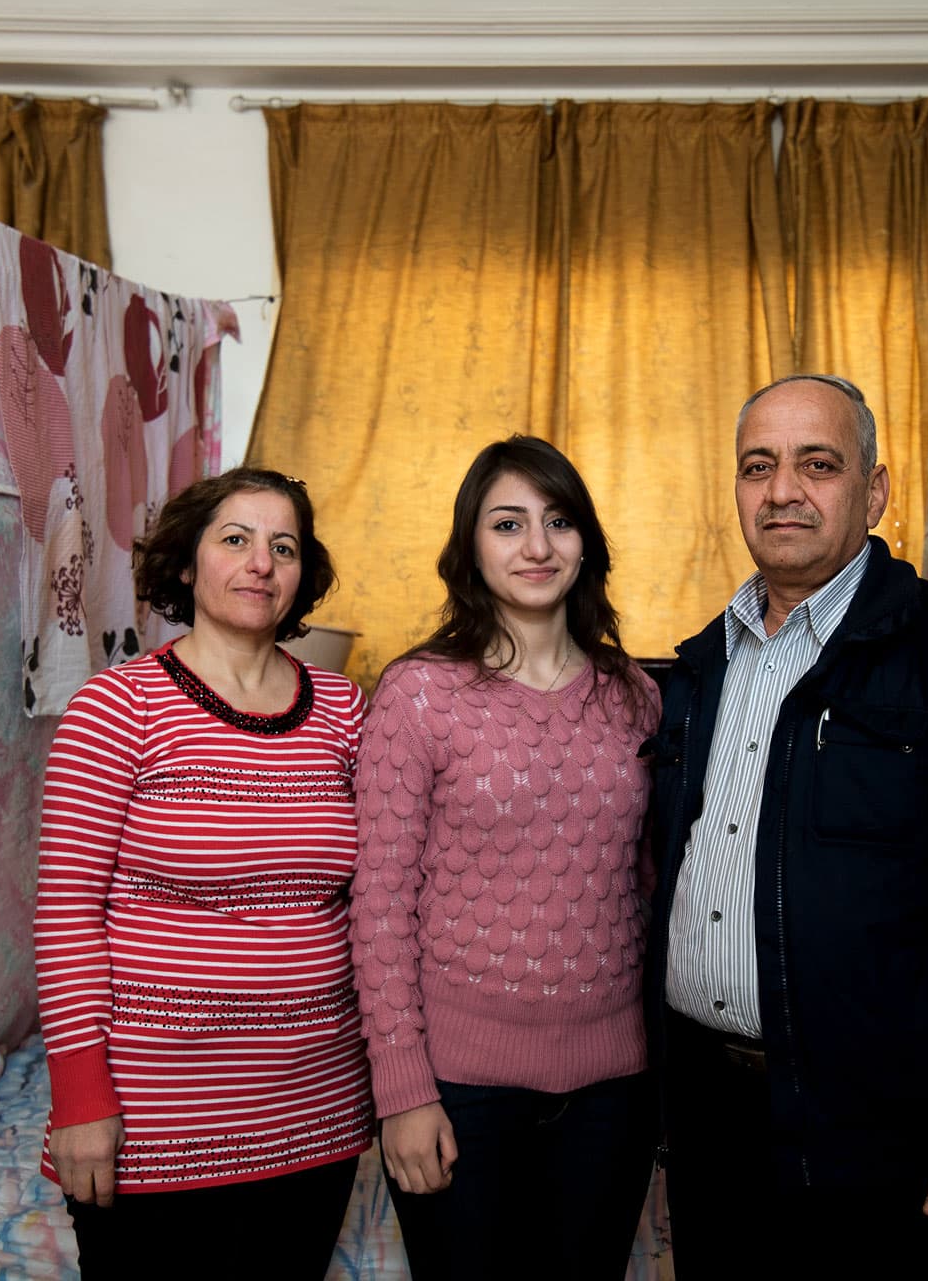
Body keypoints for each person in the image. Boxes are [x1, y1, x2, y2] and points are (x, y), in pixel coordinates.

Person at [645, 374, 928, 1279]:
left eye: (818, 464)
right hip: (710, 1126)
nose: (782, 491)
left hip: (881, 1135)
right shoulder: (698, 671)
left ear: (876, 490)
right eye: (758, 466)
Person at [33, 467, 371, 1280]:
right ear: (187, 564)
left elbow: (381, 896)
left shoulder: (347, 710)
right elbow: (67, 909)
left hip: (315, 1115)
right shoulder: (117, 707)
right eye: (236, 539)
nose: (262, 563)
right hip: (156, 1120)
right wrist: (80, 1098)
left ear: (302, 574)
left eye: (283, 546)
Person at [350, 435, 663, 1281]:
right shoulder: (417, 694)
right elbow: (378, 903)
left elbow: (644, 884)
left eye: (558, 521)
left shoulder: (636, 695)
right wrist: (404, 1091)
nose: (536, 546)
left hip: (615, 1085)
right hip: (460, 1088)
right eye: (508, 523)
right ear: (470, 546)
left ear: (586, 543)